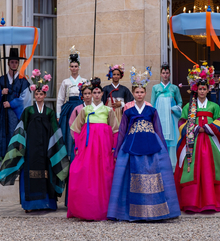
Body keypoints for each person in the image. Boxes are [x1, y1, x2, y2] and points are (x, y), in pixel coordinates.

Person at [108, 67, 180, 221]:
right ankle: (134, 211)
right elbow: (122, 131)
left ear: (145, 93)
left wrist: (164, 150)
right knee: (134, 176)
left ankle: (156, 211)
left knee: (152, 174)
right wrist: (117, 151)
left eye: (141, 92)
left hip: (151, 145)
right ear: (133, 93)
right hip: (132, 145)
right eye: (136, 92)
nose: (139, 94)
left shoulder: (151, 110)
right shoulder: (128, 112)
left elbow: (158, 129)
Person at [0, 72, 69, 212]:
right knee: (29, 174)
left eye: (41, 94)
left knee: (46, 173)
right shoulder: (28, 111)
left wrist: (56, 148)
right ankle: (29, 205)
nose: (39, 96)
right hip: (30, 149)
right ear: (34, 95)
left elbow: (56, 132)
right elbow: (21, 130)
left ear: (45, 95)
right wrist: (20, 144)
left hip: (46, 149)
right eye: (37, 94)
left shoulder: (49, 112)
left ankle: (48, 203)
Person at [174, 64, 220, 213]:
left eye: (204, 89)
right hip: (193, 142)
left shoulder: (214, 106)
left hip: (210, 141)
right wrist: (194, 128)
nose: (202, 91)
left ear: (208, 90)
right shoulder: (189, 106)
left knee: (212, 169)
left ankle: (214, 202)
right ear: (196, 89)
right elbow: (182, 122)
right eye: (199, 89)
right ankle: (191, 202)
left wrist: (207, 128)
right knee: (192, 169)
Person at [68, 78, 118, 221]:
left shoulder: (108, 110)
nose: (96, 95)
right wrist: (77, 146)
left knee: (104, 173)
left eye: (98, 92)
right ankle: (86, 208)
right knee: (86, 172)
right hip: (88, 147)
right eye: (94, 92)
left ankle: (104, 208)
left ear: (102, 94)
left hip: (104, 146)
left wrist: (114, 147)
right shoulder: (85, 109)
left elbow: (115, 130)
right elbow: (75, 129)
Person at [0, 48, 32, 162]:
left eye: (16, 62)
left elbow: (25, 98)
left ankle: (14, 159)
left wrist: (11, 103)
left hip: (15, 113)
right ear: (8, 63)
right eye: (12, 62)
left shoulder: (23, 81)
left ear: (18, 64)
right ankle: (1, 158)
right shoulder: (2, 80)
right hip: (3, 113)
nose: (14, 64)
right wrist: (1, 93)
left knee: (15, 132)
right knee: (1, 134)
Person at [150, 63, 182, 167]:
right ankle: (159, 164)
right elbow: (152, 104)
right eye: (163, 73)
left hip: (170, 118)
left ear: (170, 74)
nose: (165, 75)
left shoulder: (174, 88)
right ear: (160, 74)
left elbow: (180, 102)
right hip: (159, 116)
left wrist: (175, 109)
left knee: (171, 140)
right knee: (159, 136)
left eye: (167, 73)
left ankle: (171, 165)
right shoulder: (155, 88)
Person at [56, 46, 84, 162]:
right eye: (72, 67)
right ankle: (67, 154)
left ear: (79, 67)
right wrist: (58, 114)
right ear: (69, 68)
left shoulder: (84, 81)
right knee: (67, 130)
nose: (74, 68)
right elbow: (60, 98)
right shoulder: (65, 82)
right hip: (69, 107)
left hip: (80, 106)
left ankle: (80, 150)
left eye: (76, 66)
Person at [102, 64, 134, 129]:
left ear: (120, 76)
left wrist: (121, 104)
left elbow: (131, 103)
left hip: (120, 113)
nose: (116, 76)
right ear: (111, 75)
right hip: (109, 112)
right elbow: (101, 102)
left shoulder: (124, 89)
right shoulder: (106, 88)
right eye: (114, 74)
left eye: (118, 74)